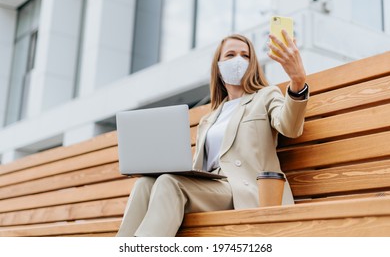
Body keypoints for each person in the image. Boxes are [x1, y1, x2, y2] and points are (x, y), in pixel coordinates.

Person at [116, 30, 309, 237]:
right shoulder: (209, 118)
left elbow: (289, 126)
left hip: (244, 188)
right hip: (210, 188)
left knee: (168, 183)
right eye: (230, 55)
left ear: (253, 64)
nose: (238, 60)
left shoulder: (265, 95)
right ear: (218, 67)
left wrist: (297, 82)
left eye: (245, 55)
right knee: (144, 183)